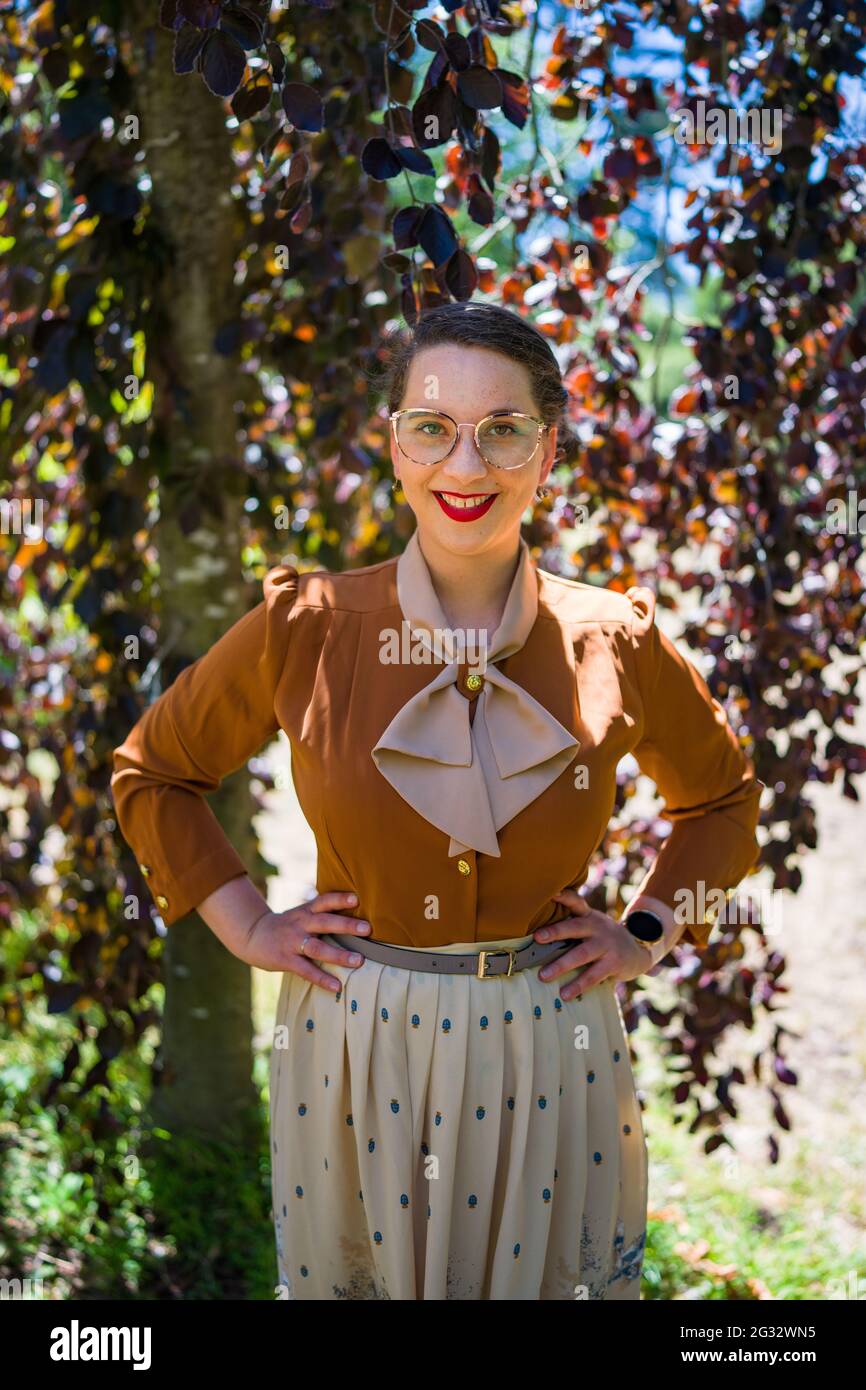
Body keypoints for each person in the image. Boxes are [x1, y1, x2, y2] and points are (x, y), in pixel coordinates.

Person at [111, 301, 763, 1301]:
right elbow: (154, 772)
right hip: (350, 1041)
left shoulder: (615, 638)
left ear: (546, 451)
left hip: (551, 1042)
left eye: (502, 430)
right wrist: (246, 926)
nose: (466, 467)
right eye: (432, 427)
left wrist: (644, 930)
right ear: (394, 444)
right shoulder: (307, 625)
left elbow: (721, 799)